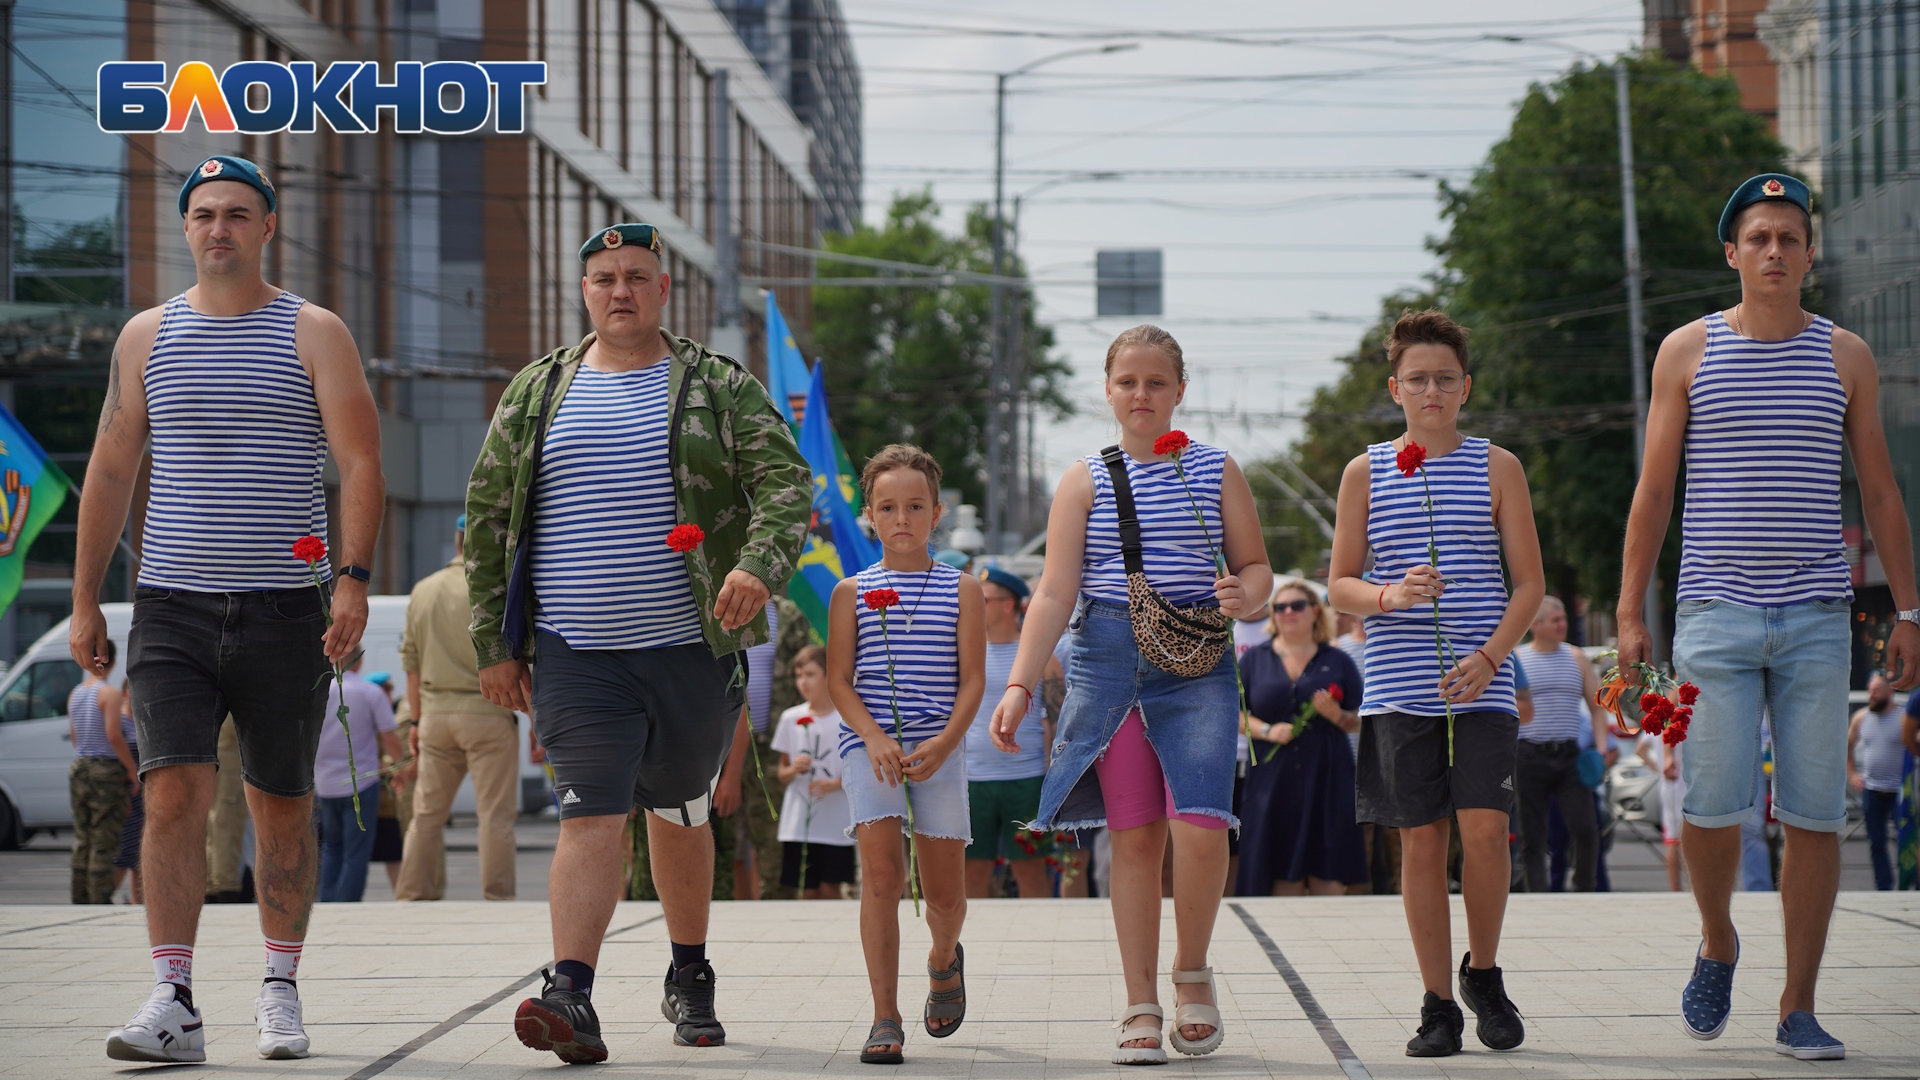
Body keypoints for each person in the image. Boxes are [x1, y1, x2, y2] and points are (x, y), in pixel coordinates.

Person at [467, 222, 809, 1065]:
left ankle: (689, 973)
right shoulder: (537, 392)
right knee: (591, 818)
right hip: (575, 651)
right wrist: (492, 642)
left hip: (692, 644)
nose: (619, 290)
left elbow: (785, 481)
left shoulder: (716, 386)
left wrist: (760, 567)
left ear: (663, 291)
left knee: (680, 813)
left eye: (635, 277)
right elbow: (485, 516)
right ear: (583, 291)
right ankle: (569, 992)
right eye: (603, 277)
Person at [71, 154, 384, 1064]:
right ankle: (174, 997)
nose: (219, 229)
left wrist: (354, 577)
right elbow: (112, 468)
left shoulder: (314, 330)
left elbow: (359, 463)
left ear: (267, 227)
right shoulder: (145, 336)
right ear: (185, 227)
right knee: (171, 792)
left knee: (280, 804)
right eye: (204, 213)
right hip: (168, 603)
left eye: (237, 214)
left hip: (287, 607)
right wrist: (88, 600)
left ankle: (280, 987)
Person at [1616, 174, 1920, 1060]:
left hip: (1821, 615)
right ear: (1733, 254)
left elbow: (1881, 491)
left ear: (1811, 254)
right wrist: (1632, 613)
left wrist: (1909, 610)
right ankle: (1718, 937)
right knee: (1711, 808)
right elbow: (1654, 490)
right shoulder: (1687, 350)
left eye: (1791, 237)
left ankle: (1798, 1003)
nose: (1775, 251)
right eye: (1759, 238)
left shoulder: (1846, 356)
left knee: (1817, 813)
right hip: (1712, 613)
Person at [990, 325, 1273, 1065]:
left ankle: (1192, 974)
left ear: (1181, 390)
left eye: (1156, 382)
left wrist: (1248, 594)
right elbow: (1053, 591)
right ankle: (1140, 1002)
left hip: (1199, 661)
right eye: (1128, 382)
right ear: (1107, 389)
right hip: (1108, 661)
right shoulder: (1084, 476)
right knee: (1135, 837)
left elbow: (1256, 566)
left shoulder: (1217, 470)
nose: (1141, 395)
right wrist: (1020, 682)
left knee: (1204, 825)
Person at [1327, 308, 1544, 1057]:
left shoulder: (1498, 466)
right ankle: (1437, 1004)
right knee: (1420, 843)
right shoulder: (1367, 470)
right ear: (1395, 388)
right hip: (1397, 689)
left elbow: (1529, 585)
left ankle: (1484, 973)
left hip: (1479, 685)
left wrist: (1490, 658)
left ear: (1465, 387)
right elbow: (1339, 587)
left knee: (1485, 834)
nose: (1431, 391)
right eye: (1417, 379)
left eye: (1444, 379)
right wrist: (1389, 595)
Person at [826, 444, 984, 1064]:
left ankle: (944, 959)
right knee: (882, 878)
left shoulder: (962, 588)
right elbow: (840, 679)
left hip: (939, 745)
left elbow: (972, 680)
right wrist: (872, 736)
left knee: (945, 895)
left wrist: (945, 742)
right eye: (888, 506)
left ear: (937, 512)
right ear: (869, 514)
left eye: (915, 506)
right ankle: (884, 1016)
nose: (902, 518)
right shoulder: (851, 592)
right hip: (871, 746)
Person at [398, 515, 521, 903]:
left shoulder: (423, 590)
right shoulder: (494, 591)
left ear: (455, 542)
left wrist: (416, 721)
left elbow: (411, 665)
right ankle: (497, 898)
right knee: (495, 817)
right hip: (489, 711)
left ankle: (412, 895)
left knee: (427, 816)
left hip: (435, 715)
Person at [1238, 580, 1365, 895]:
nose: (1288, 612)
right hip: (1272, 776)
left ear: (1315, 612)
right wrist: (1267, 730)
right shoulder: (1255, 659)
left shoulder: (1337, 660)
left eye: (1297, 606)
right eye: (1280, 607)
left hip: (1328, 772)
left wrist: (1337, 716)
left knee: (1329, 868)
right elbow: (1234, 714)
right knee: (1282, 870)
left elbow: (1362, 719)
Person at [964, 564, 1061, 899]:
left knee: (1031, 870)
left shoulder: (1039, 657)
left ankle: (1042, 946)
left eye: (984, 599)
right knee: (972, 871)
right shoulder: (965, 651)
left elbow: (1059, 719)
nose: (975, 606)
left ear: (1008, 605)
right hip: (973, 779)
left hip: (1027, 779)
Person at [1511, 597, 1608, 892]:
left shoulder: (1577, 657)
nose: (1563, 624)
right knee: (1533, 834)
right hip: (1527, 754)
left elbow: (1597, 707)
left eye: (1564, 618)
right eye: (1555, 620)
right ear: (1535, 625)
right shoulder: (1517, 657)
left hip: (1568, 754)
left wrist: (1601, 748)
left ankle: (1583, 889)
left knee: (1586, 829)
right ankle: (1537, 894)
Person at [313, 657, 401, 902]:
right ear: (359, 660)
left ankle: (327, 902)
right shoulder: (369, 692)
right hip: (361, 782)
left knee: (331, 846)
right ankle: (346, 905)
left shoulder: (318, 690)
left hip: (325, 783)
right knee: (356, 852)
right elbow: (390, 737)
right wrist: (400, 765)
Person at [772, 645, 853, 898]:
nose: (803, 682)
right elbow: (781, 773)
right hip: (799, 821)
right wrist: (793, 769)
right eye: (798, 676)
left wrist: (837, 783)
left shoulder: (847, 719)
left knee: (831, 887)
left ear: (828, 675)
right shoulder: (790, 718)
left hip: (835, 820)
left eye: (810, 674)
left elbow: (858, 771)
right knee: (806, 888)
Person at [69, 642, 133, 904]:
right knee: (103, 836)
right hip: (105, 770)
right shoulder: (109, 694)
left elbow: (74, 737)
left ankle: (79, 895)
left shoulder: (75, 694)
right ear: (113, 663)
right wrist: (132, 769)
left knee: (83, 836)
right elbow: (113, 736)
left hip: (80, 766)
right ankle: (99, 898)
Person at [1848, 672, 1905, 891]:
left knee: (1905, 839)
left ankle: (1910, 883)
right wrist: (1853, 773)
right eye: (1870, 691)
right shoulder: (1862, 718)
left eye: (1877, 692)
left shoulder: (1902, 718)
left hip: (1898, 791)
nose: (1872, 696)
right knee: (1876, 843)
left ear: (1890, 693)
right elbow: (1848, 745)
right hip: (1872, 789)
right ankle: (1884, 886)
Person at [1640, 729, 1687, 891]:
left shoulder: (1658, 718)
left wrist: (1658, 768)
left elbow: (1640, 749)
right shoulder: (1675, 716)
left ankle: (1677, 889)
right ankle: (1681, 888)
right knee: (1677, 840)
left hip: (1670, 783)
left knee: (1675, 839)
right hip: (1678, 782)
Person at [113, 683, 146, 904]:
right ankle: (102, 895)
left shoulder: (143, 721)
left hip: (143, 796)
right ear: (125, 693)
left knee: (139, 854)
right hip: (128, 794)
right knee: (124, 851)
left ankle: (138, 902)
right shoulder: (120, 723)